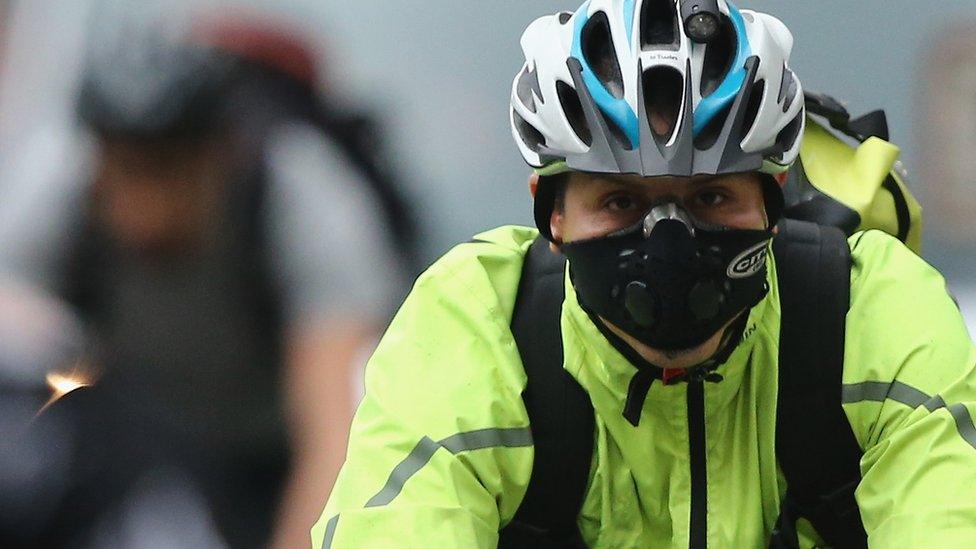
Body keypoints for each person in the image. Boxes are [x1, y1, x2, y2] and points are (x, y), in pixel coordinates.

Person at [314, 1, 976, 547]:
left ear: (775, 201)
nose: (669, 243)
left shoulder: (873, 307)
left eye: (711, 197)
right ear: (553, 216)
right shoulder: (475, 322)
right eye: (621, 201)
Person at [0, 17, 412, 549]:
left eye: (169, 171)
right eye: (126, 171)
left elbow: (337, 439)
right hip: (130, 465)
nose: (146, 208)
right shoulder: (56, 191)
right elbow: (14, 367)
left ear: (222, 156)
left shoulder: (301, 200)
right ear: (97, 161)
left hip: (273, 459)